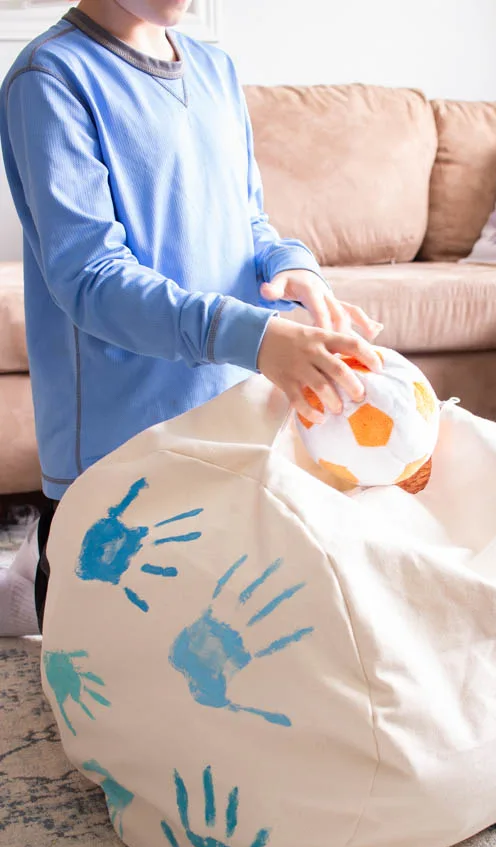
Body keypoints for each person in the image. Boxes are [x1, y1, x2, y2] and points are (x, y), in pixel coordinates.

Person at [0, 0, 383, 637]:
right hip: (115, 432)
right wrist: (255, 336)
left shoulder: (214, 68)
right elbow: (91, 278)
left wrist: (297, 268)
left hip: (224, 407)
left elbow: (250, 218)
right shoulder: (51, 78)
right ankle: (33, 579)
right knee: (107, 644)